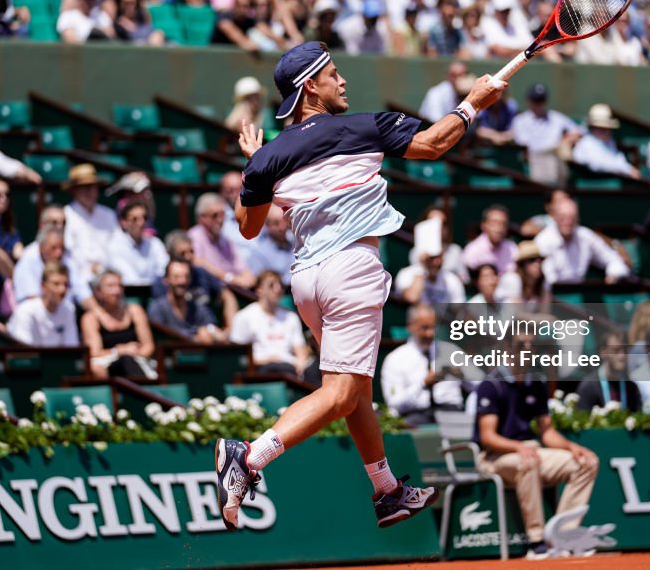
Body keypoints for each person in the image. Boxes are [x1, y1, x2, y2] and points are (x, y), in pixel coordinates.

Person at [215, 40, 505, 532]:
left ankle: (387, 490)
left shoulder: (270, 155)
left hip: (306, 283)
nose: (343, 80)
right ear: (311, 86)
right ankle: (248, 456)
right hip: (350, 271)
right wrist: (472, 103)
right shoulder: (363, 125)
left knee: (356, 391)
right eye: (334, 73)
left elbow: (247, 225)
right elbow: (434, 144)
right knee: (341, 390)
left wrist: (254, 164)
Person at [474, 328, 600, 560]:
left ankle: (563, 537)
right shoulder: (491, 385)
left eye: (532, 345)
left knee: (587, 463)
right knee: (528, 461)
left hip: (528, 451)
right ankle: (537, 541)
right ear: (507, 348)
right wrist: (518, 447)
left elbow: (547, 432)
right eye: (522, 345)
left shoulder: (537, 382)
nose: (528, 350)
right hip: (494, 457)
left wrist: (572, 448)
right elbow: (488, 437)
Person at [380, 304, 472, 426]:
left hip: (451, 412)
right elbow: (394, 404)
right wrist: (423, 384)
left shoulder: (451, 351)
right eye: (424, 328)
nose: (430, 334)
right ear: (410, 326)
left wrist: (464, 374)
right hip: (416, 415)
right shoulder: (395, 359)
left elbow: (481, 386)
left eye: (433, 328)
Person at [229, 270, 311, 379]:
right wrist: (268, 360)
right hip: (260, 372)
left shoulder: (291, 317)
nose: (278, 289)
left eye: (280, 285)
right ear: (259, 290)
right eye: (271, 285)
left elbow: (300, 350)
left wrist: (301, 363)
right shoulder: (244, 317)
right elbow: (237, 357)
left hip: (289, 370)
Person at [534, 198, 629, 286]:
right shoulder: (543, 240)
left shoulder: (585, 236)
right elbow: (546, 280)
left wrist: (613, 275)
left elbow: (614, 259)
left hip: (580, 295)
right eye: (563, 217)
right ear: (555, 218)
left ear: (577, 218)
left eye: (572, 217)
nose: (567, 221)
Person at [80, 268, 155, 377]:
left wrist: (133, 354)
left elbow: (148, 345)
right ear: (98, 292)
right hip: (108, 366)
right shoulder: (90, 318)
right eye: (110, 286)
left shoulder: (135, 311)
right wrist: (118, 351)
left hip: (137, 360)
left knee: (128, 361)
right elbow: (94, 353)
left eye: (119, 286)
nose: (117, 291)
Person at [511, 83, 582, 186]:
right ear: (529, 101)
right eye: (536, 101)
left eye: (541, 100)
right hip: (535, 157)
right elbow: (524, 145)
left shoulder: (556, 117)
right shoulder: (520, 121)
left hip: (557, 157)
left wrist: (565, 140)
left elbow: (578, 132)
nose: (539, 104)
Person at [188, 192, 255, 289]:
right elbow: (198, 262)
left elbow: (244, 269)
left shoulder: (226, 240)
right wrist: (230, 278)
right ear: (202, 218)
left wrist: (248, 279)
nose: (220, 220)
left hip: (236, 290)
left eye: (222, 214)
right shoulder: (194, 236)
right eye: (215, 215)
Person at [147, 260, 225, 343]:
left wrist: (214, 333)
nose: (182, 281)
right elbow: (160, 338)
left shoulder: (197, 307)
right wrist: (195, 339)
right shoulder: (157, 309)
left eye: (186, 276)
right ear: (166, 280)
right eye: (176, 277)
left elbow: (211, 328)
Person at [63, 164, 115, 286]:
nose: (90, 191)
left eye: (93, 187)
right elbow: (68, 252)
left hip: (109, 278)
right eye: (84, 187)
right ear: (74, 190)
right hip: (78, 280)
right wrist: (89, 268)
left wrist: (104, 268)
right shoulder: (65, 215)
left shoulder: (108, 214)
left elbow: (116, 246)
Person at [8, 262, 79, 347]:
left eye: (66, 285)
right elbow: (23, 353)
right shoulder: (25, 311)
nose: (62, 289)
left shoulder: (69, 310)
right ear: (43, 286)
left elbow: (71, 349)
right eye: (56, 284)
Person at [576, 331, 643, 412]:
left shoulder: (632, 388)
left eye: (625, 350)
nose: (622, 356)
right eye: (616, 350)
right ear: (603, 352)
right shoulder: (589, 387)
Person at [106, 201, 168, 287]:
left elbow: (164, 270)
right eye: (135, 219)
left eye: (144, 218)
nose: (141, 223)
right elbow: (128, 279)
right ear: (123, 223)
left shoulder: (155, 243)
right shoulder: (114, 246)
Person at [572, 104, 640, 178]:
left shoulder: (609, 141)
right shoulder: (586, 142)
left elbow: (618, 159)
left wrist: (629, 169)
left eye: (606, 128)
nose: (604, 131)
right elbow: (597, 164)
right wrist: (627, 170)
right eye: (599, 128)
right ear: (591, 127)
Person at [461, 205, 518, 275]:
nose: (499, 228)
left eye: (503, 224)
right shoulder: (472, 250)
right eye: (494, 223)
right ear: (483, 225)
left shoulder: (512, 248)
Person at [245, 205, 294, 285]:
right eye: (276, 223)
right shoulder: (259, 254)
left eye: (283, 221)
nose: (282, 227)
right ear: (267, 225)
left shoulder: (295, 242)